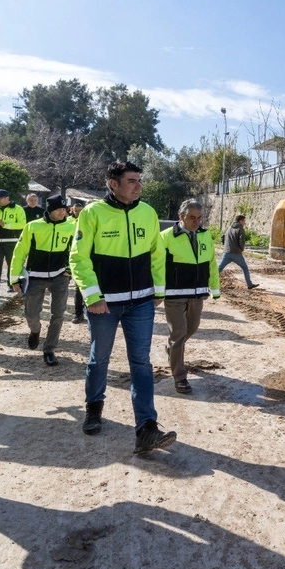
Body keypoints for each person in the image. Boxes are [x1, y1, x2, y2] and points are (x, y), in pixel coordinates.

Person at [70, 160, 175, 452]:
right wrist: (93, 296)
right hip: (104, 305)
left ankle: (147, 428)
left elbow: (157, 252)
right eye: (132, 181)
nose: (139, 185)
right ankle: (93, 408)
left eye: (140, 180)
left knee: (141, 362)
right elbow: (79, 258)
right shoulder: (92, 213)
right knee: (98, 358)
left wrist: (159, 290)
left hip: (140, 302)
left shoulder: (148, 212)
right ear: (113, 184)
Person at [159, 199, 220, 394]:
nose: (197, 222)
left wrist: (214, 288)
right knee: (178, 333)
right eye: (192, 217)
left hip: (197, 293)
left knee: (191, 328)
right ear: (181, 216)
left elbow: (211, 262)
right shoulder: (165, 237)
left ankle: (172, 350)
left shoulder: (205, 235)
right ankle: (180, 376)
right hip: (174, 294)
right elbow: (157, 266)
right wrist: (158, 291)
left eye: (200, 218)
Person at [9, 194, 74, 366]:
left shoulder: (71, 227)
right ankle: (35, 330)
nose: (63, 212)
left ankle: (49, 349)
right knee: (31, 314)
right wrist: (14, 279)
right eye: (59, 209)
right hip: (35, 277)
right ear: (50, 210)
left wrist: (70, 271)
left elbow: (76, 252)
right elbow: (19, 253)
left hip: (60, 277)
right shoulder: (33, 227)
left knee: (58, 315)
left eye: (64, 209)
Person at [0, 189, 27, 296]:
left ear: (7, 198)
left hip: (11, 241)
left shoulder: (18, 209)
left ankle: (11, 285)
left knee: (11, 264)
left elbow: (22, 224)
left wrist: (6, 225)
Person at [218, 215, 259, 290]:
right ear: (240, 221)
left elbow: (222, 237)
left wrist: (225, 246)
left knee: (219, 268)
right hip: (236, 253)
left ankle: (207, 282)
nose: (245, 223)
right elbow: (242, 241)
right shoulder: (240, 228)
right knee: (245, 268)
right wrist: (241, 249)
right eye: (244, 221)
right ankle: (249, 284)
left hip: (226, 252)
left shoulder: (229, 227)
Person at [68, 198, 87, 323]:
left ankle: (88, 310)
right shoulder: (68, 222)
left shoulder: (87, 221)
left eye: (81, 211)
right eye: (76, 211)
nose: (78, 213)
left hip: (87, 256)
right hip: (74, 256)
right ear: (72, 210)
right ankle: (78, 313)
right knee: (78, 287)